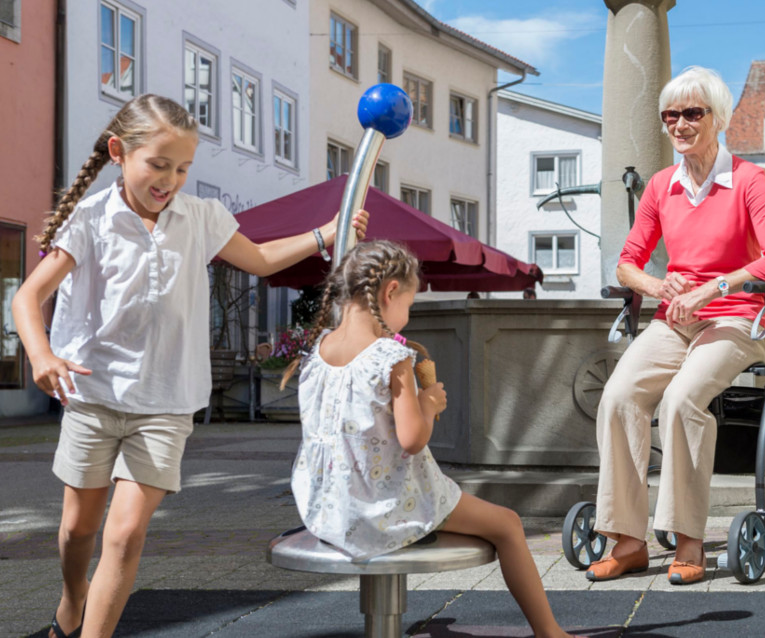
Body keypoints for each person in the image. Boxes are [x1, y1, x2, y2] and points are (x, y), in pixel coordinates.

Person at [11, 94, 369, 638]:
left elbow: (262, 258)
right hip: (92, 395)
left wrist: (327, 232)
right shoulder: (91, 218)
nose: (170, 179)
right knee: (76, 532)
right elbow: (27, 297)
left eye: (182, 168)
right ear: (118, 152)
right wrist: (41, 355)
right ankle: (71, 597)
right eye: (158, 164)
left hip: (165, 403)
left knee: (125, 534)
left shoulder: (200, 217)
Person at [285, 240, 581, 638]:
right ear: (389, 292)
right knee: (508, 525)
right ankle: (550, 633)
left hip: (328, 508)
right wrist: (428, 404)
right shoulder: (392, 356)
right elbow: (412, 440)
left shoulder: (316, 352)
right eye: (408, 304)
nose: (406, 316)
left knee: (467, 519)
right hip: (384, 508)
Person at [587, 67, 765, 584]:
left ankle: (689, 541)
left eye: (693, 113)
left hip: (734, 319)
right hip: (675, 319)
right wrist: (660, 288)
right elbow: (628, 263)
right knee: (619, 397)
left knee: (682, 401)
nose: (680, 124)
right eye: (670, 115)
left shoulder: (747, 180)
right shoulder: (662, 186)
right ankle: (628, 539)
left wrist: (715, 287)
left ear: (718, 118)